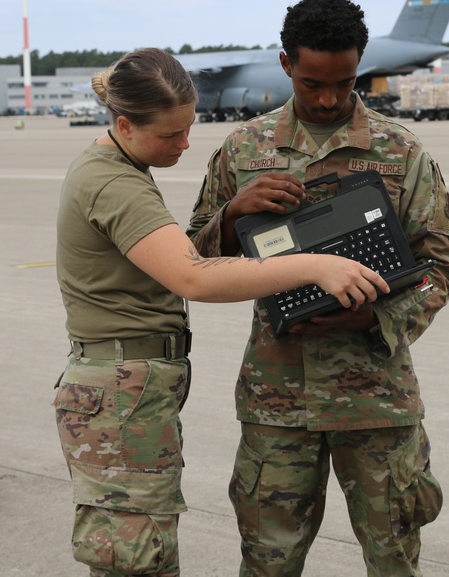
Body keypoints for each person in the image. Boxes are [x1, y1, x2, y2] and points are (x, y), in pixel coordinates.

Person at [52, 47, 389, 577]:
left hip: (128, 391)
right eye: (170, 134)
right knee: (136, 561)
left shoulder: (121, 167)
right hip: (119, 396)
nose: (185, 144)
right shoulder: (115, 183)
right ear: (124, 124)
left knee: (143, 553)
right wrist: (315, 266)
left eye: (190, 128)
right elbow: (193, 276)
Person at [187, 0, 449, 575]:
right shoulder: (243, 150)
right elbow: (192, 261)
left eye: (345, 81)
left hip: (375, 396)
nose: (330, 98)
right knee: (269, 560)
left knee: (393, 557)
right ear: (286, 64)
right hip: (276, 398)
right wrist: (234, 215)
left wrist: (379, 318)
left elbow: (439, 265)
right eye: (313, 83)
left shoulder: (400, 150)